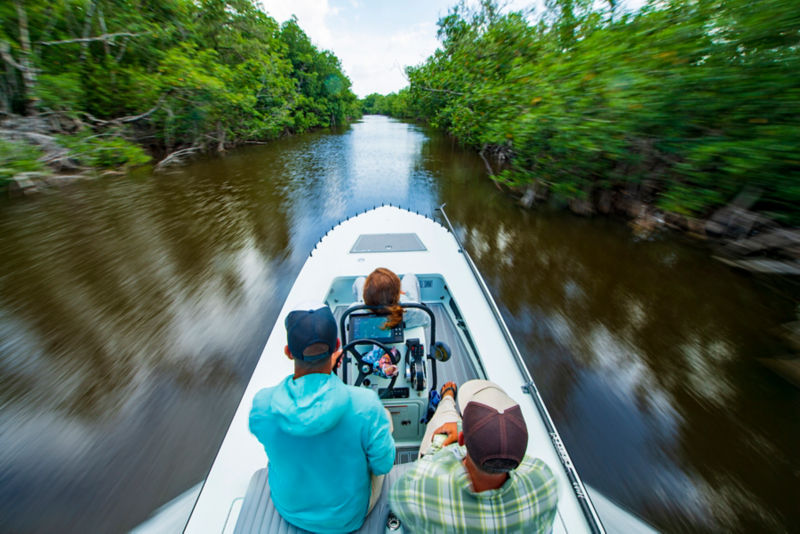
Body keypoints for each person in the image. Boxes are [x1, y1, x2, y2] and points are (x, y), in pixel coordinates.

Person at [248, 303, 396, 533]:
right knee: (383, 420)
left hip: (290, 510)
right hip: (348, 517)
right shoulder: (366, 405)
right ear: (337, 347)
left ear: (288, 352)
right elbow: (383, 465)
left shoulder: (262, 405)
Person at [390, 379, 559, 533]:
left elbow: (404, 501)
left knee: (443, 422)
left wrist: (456, 429)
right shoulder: (545, 481)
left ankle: (447, 398)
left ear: (462, 439)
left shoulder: (419, 482)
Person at [352, 267, 429, 329]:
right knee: (410, 276)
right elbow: (427, 322)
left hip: (368, 308)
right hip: (402, 305)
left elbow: (348, 326)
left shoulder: (354, 312)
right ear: (398, 294)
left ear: (365, 295)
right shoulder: (414, 310)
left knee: (359, 280)